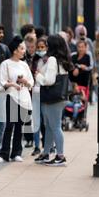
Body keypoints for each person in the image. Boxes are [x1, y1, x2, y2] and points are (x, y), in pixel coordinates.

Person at [34, 34, 74, 166]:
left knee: (55, 126)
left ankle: (60, 155)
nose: (45, 47)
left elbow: (49, 80)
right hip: (59, 97)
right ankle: (46, 153)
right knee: (51, 126)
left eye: (47, 44)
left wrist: (38, 76)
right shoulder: (63, 59)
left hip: (52, 98)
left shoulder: (52, 59)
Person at [0, 36, 34, 163]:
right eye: (22, 48)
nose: (24, 51)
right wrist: (12, 84)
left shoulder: (24, 65)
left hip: (24, 98)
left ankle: (17, 152)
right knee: (9, 125)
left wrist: (24, 81)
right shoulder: (5, 64)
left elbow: (31, 82)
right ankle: (3, 153)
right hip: (12, 97)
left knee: (19, 126)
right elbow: (2, 83)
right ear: (15, 50)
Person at [31, 37, 48, 157]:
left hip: (45, 93)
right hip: (35, 93)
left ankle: (48, 145)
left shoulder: (49, 61)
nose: (40, 49)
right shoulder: (34, 60)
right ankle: (36, 146)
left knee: (46, 121)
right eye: (38, 47)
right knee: (36, 121)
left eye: (42, 47)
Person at [23, 33, 38, 148]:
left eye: (32, 47)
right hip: (26, 89)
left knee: (37, 114)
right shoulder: (23, 58)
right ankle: (29, 139)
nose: (30, 49)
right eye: (28, 47)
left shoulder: (40, 57)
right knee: (26, 115)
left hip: (37, 88)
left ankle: (38, 137)